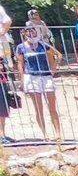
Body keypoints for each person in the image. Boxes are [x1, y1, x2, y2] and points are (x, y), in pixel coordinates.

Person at [16, 11, 61, 141]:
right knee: (38, 108)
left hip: (46, 76)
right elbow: (20, 64)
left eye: (33, 31)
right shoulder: (21, 47)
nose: (31, 33)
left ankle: (58, 133)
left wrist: (52, 70)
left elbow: (56, 56)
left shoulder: (43, 45)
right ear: (24, 33)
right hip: (32, 77)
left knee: (52, 107)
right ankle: (45, 134)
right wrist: (22, 80)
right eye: (28, 32)